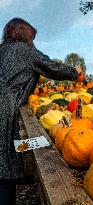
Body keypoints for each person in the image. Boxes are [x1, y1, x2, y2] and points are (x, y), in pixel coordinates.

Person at [0, 18, 83, 204]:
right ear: (25, 33)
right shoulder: (26, 51)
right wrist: (75, 72)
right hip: (5, 108)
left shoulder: (2, 50)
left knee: (7, 155)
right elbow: (52, 67)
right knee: (6, 161)